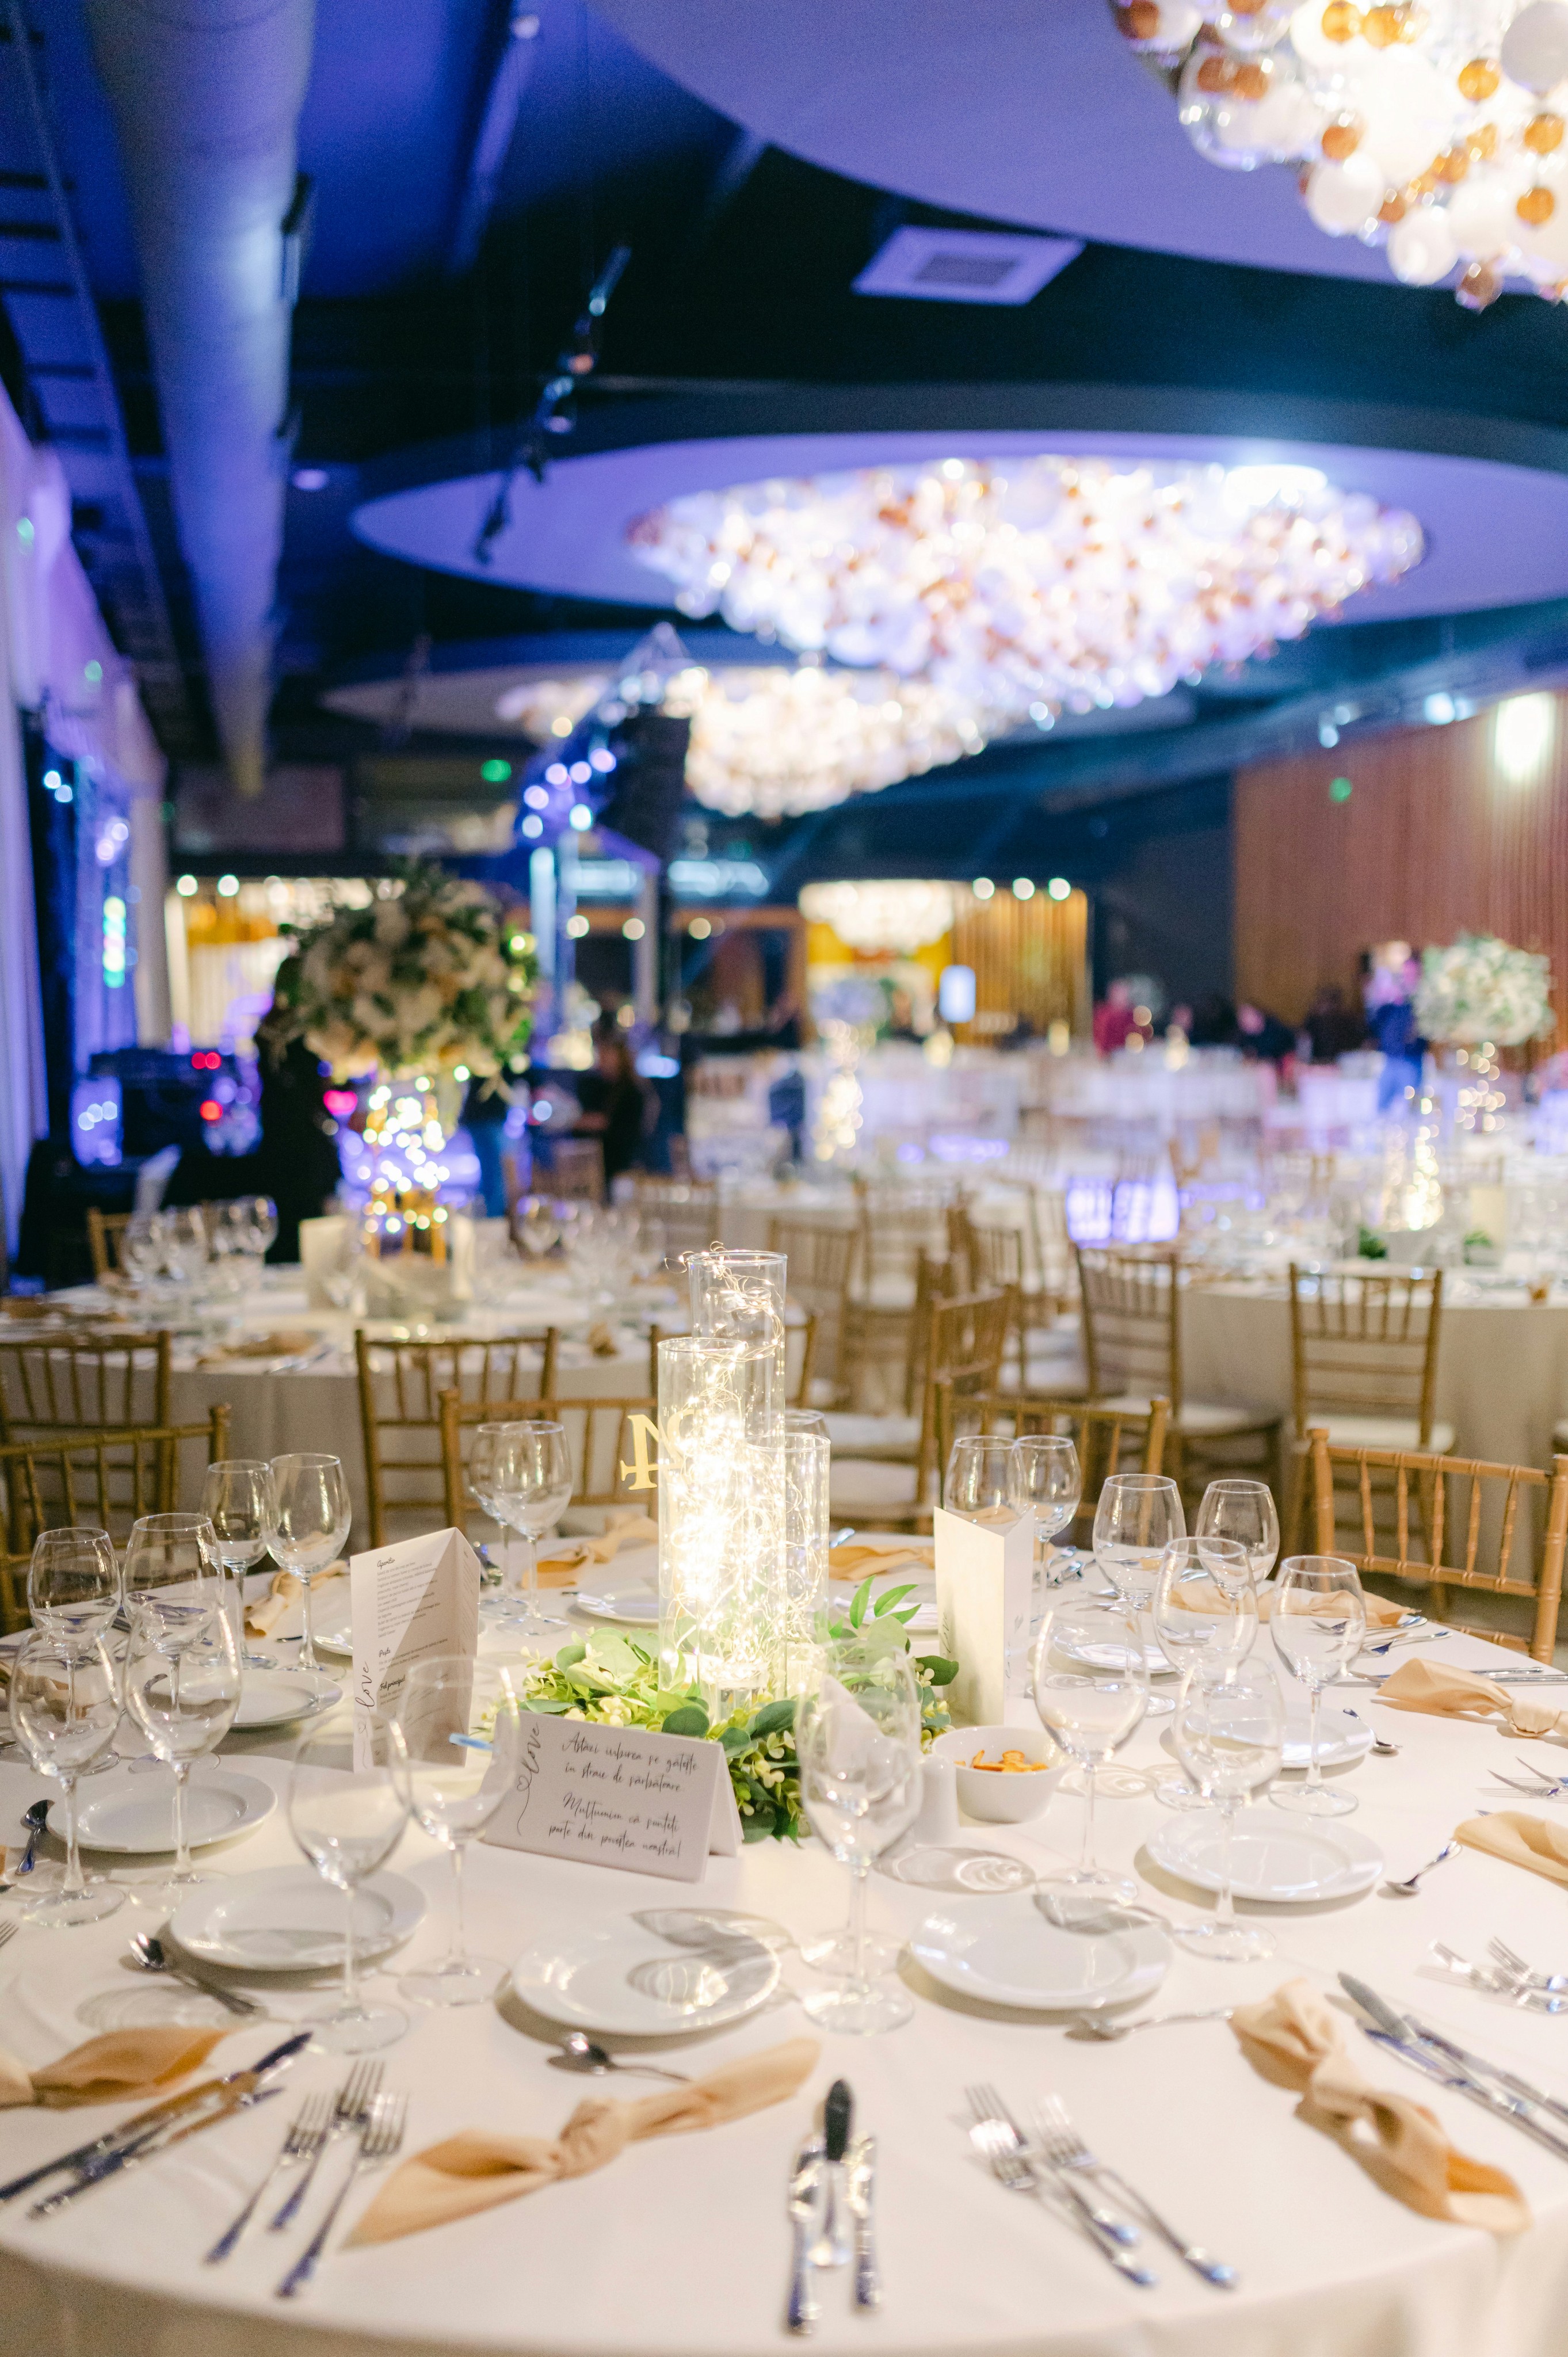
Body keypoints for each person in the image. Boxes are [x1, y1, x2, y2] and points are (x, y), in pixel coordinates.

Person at [570, 1022, 653, 1185]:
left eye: (606, 1055)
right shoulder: (601, 1087)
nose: (602, 1060)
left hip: (622, 1165)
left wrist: (574, 1121)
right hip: (601, 1164)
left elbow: (612, 1125)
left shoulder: (632, 1091)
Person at [1302, 983, 1366, 1064]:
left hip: (1344, 1064)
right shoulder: (1313, 1021)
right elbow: (1305, 1045)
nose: (1326, 1006)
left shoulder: (1349, 1021)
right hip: (1318, 1064)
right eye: (1323, 1002)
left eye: (1330, 1002)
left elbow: (1358, 1045)